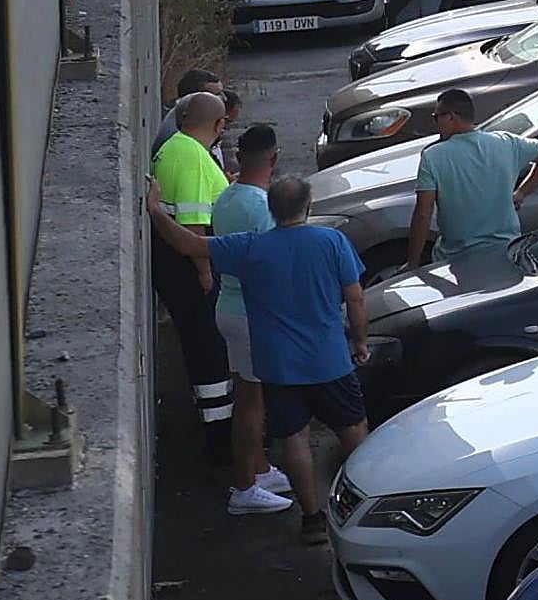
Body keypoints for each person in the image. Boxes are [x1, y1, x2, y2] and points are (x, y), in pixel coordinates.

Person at [147, 174, 371, 545]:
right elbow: (356, 297)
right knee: (353, 429)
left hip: (278, 365)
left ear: (271, 209)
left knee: (295, 438)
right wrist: (360, 340)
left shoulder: (251, 249)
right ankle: (365, 506)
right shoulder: (332, 241)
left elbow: (189, 244)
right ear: (308, 207)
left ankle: (312, 519)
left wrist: (155, 208)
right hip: (329, 359)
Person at [211, 125, 293, 515]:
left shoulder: (227, 197)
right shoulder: (262, 208)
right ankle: (244, 488)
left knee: (249, 394)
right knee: (250, 402)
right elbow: (273, 265)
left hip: (230, 305)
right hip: (252, 314)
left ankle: (259, 470)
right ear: (274, 160)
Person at [151, 91, 235, 465]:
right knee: (210, 350)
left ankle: (214, 424)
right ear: (220, 126)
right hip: (190, 270)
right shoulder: (195, 159)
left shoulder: (173, 147)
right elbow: (195, 224)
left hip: (171, 267)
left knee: (201, 347)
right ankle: (220, 439)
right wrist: (205, 273)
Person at [407, 89, 538, 269]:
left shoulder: (432, 156)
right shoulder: (507, 142)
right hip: (507, 252)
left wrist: (412, 263)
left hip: (455, 258)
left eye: (436, 117)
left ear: (451, 117)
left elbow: (422, 214)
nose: (436, 123)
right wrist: (521, 193)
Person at [152, 69, 223, 159]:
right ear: (198, 98)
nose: (224, 98)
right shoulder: (180, 134)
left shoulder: (185, 120)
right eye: (217, 94)